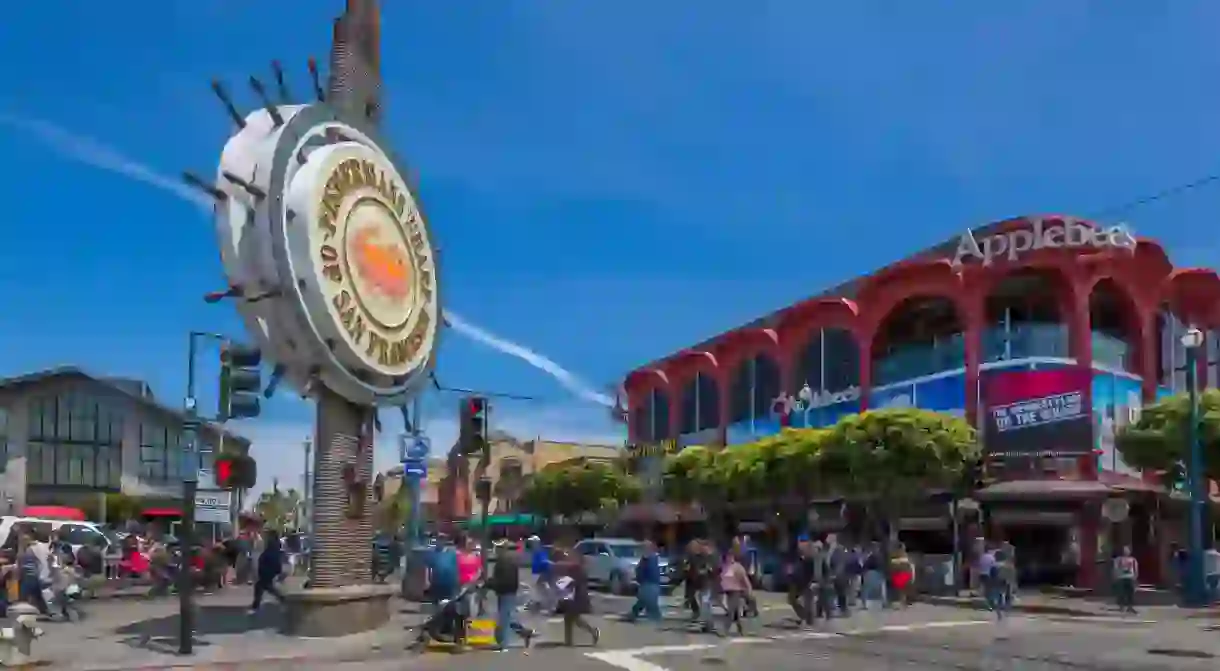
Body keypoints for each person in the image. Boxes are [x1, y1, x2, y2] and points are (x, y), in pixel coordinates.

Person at [488, 540, 534, 651]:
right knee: (508, 617)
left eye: (497, 547)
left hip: (506, 592)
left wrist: (490, 583)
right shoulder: (506, 560)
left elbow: (504, 580)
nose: (495, 549)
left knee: (504, 618)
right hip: (506, 592)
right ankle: (524, 633)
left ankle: (503, 645)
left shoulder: (505, 561)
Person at [554, 546, 599, 647]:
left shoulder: (575, 568)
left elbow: (571, 582)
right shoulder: (575, 568)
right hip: (576, 596)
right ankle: (570, 640)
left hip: (577, 596)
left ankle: (572, 640)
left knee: (571, 618)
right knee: (572, 618)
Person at [625, 540, 663, 623]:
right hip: (649, 583)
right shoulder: (650, 558)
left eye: (644, 547)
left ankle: (656, 619)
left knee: (649, 601)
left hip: (650, 583)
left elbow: (646, 571)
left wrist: (640, 577)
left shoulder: (650, 558)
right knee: (644, 600)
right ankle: (634, 614)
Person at [249, 529, 285, 614]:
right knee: (264, 586)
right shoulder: (275, 543)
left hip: (268, 567)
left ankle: (255, 607)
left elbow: (271, 556)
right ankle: (283, 599)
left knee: (262, 586)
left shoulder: (272, 543)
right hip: (269, 567)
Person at [718, 551, 752, 636]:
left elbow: (745, 579)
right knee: (736, 612)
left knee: (730, 611)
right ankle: (742, 630)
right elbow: (720, 579)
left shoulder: (738, 567)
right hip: (727, 592)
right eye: (727, 557)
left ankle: (725, 630)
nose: (729, 558)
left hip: (736, 591)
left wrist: (749, 589)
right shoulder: (724, 567)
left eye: (731, 556)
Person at [788, 537, 815, 626]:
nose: (800, 546)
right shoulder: (797, 556)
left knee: (807, 602)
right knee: (792, 600)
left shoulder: (809, 559)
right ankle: (805, 617)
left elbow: (810, 571)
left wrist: (811, 582)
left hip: (805, 582)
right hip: (795, 582)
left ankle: (807, 619)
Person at [528, 536, 555, 613]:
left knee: (544, 589)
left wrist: (548, 566)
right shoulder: (536, 551)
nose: (531, 544)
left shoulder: (539, 551)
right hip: (539, 572)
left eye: (532, 542)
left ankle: (548, 606)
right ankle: (541, 604)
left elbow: (544, 561)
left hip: (541, 572)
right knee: (540, 589)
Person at [1112, 545, 1138, 614]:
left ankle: (1130, 607)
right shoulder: (1118, 559)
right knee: (1121, 593)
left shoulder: (1133, 559)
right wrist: (1115, 577)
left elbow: (1136, 568)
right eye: (1124, 550)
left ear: (1130, 551)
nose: (1125, 551)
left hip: (1130, 577)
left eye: (1127, 550)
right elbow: (1115, 568)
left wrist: (1135, 577)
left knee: (1130, 593)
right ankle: (1121, 607)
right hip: (1121, 577)